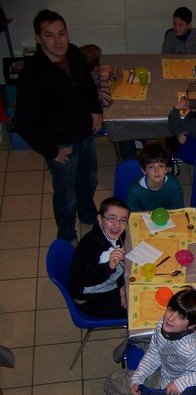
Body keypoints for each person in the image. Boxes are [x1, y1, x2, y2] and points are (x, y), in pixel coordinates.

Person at [15, 9, 102, 245]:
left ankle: (88, 215)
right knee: (66, 197)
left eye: (62, 33)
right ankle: (66, 236)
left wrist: (96, 110)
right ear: (38, 38)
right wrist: (51, 151)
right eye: (50, 35)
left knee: (89, 180)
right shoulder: (32, 74)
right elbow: (22, 121)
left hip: (85, 134)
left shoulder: (73, 53)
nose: (58, 41)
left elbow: (88, 85)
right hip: (61, 145)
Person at [70, 197, 129, 319]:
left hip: (109, 283)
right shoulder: (90, 246)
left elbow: (120, 266)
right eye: (112, 218)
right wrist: (109, 266)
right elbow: (82, 278)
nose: (117, 225)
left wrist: (123, 284)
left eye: (123, 220)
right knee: (136, 307)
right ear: (100, 219)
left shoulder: (119, 234)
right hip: (89, 296)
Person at [127, 144, 184, 212]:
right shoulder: (135, 190)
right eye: (151, 167)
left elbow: (179, 210)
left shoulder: (174, 185)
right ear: (144, 170)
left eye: (161, 166)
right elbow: (133, 214)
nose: (157, 171)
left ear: (166, 169)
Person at [78, 44, 122, 108]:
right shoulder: (86, 83)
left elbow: (119, 74)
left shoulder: (96, 72)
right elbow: (105, 102)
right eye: (101, 58)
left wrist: (111, 70)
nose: (103, 60)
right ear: (96, 66)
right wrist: (104, 77)